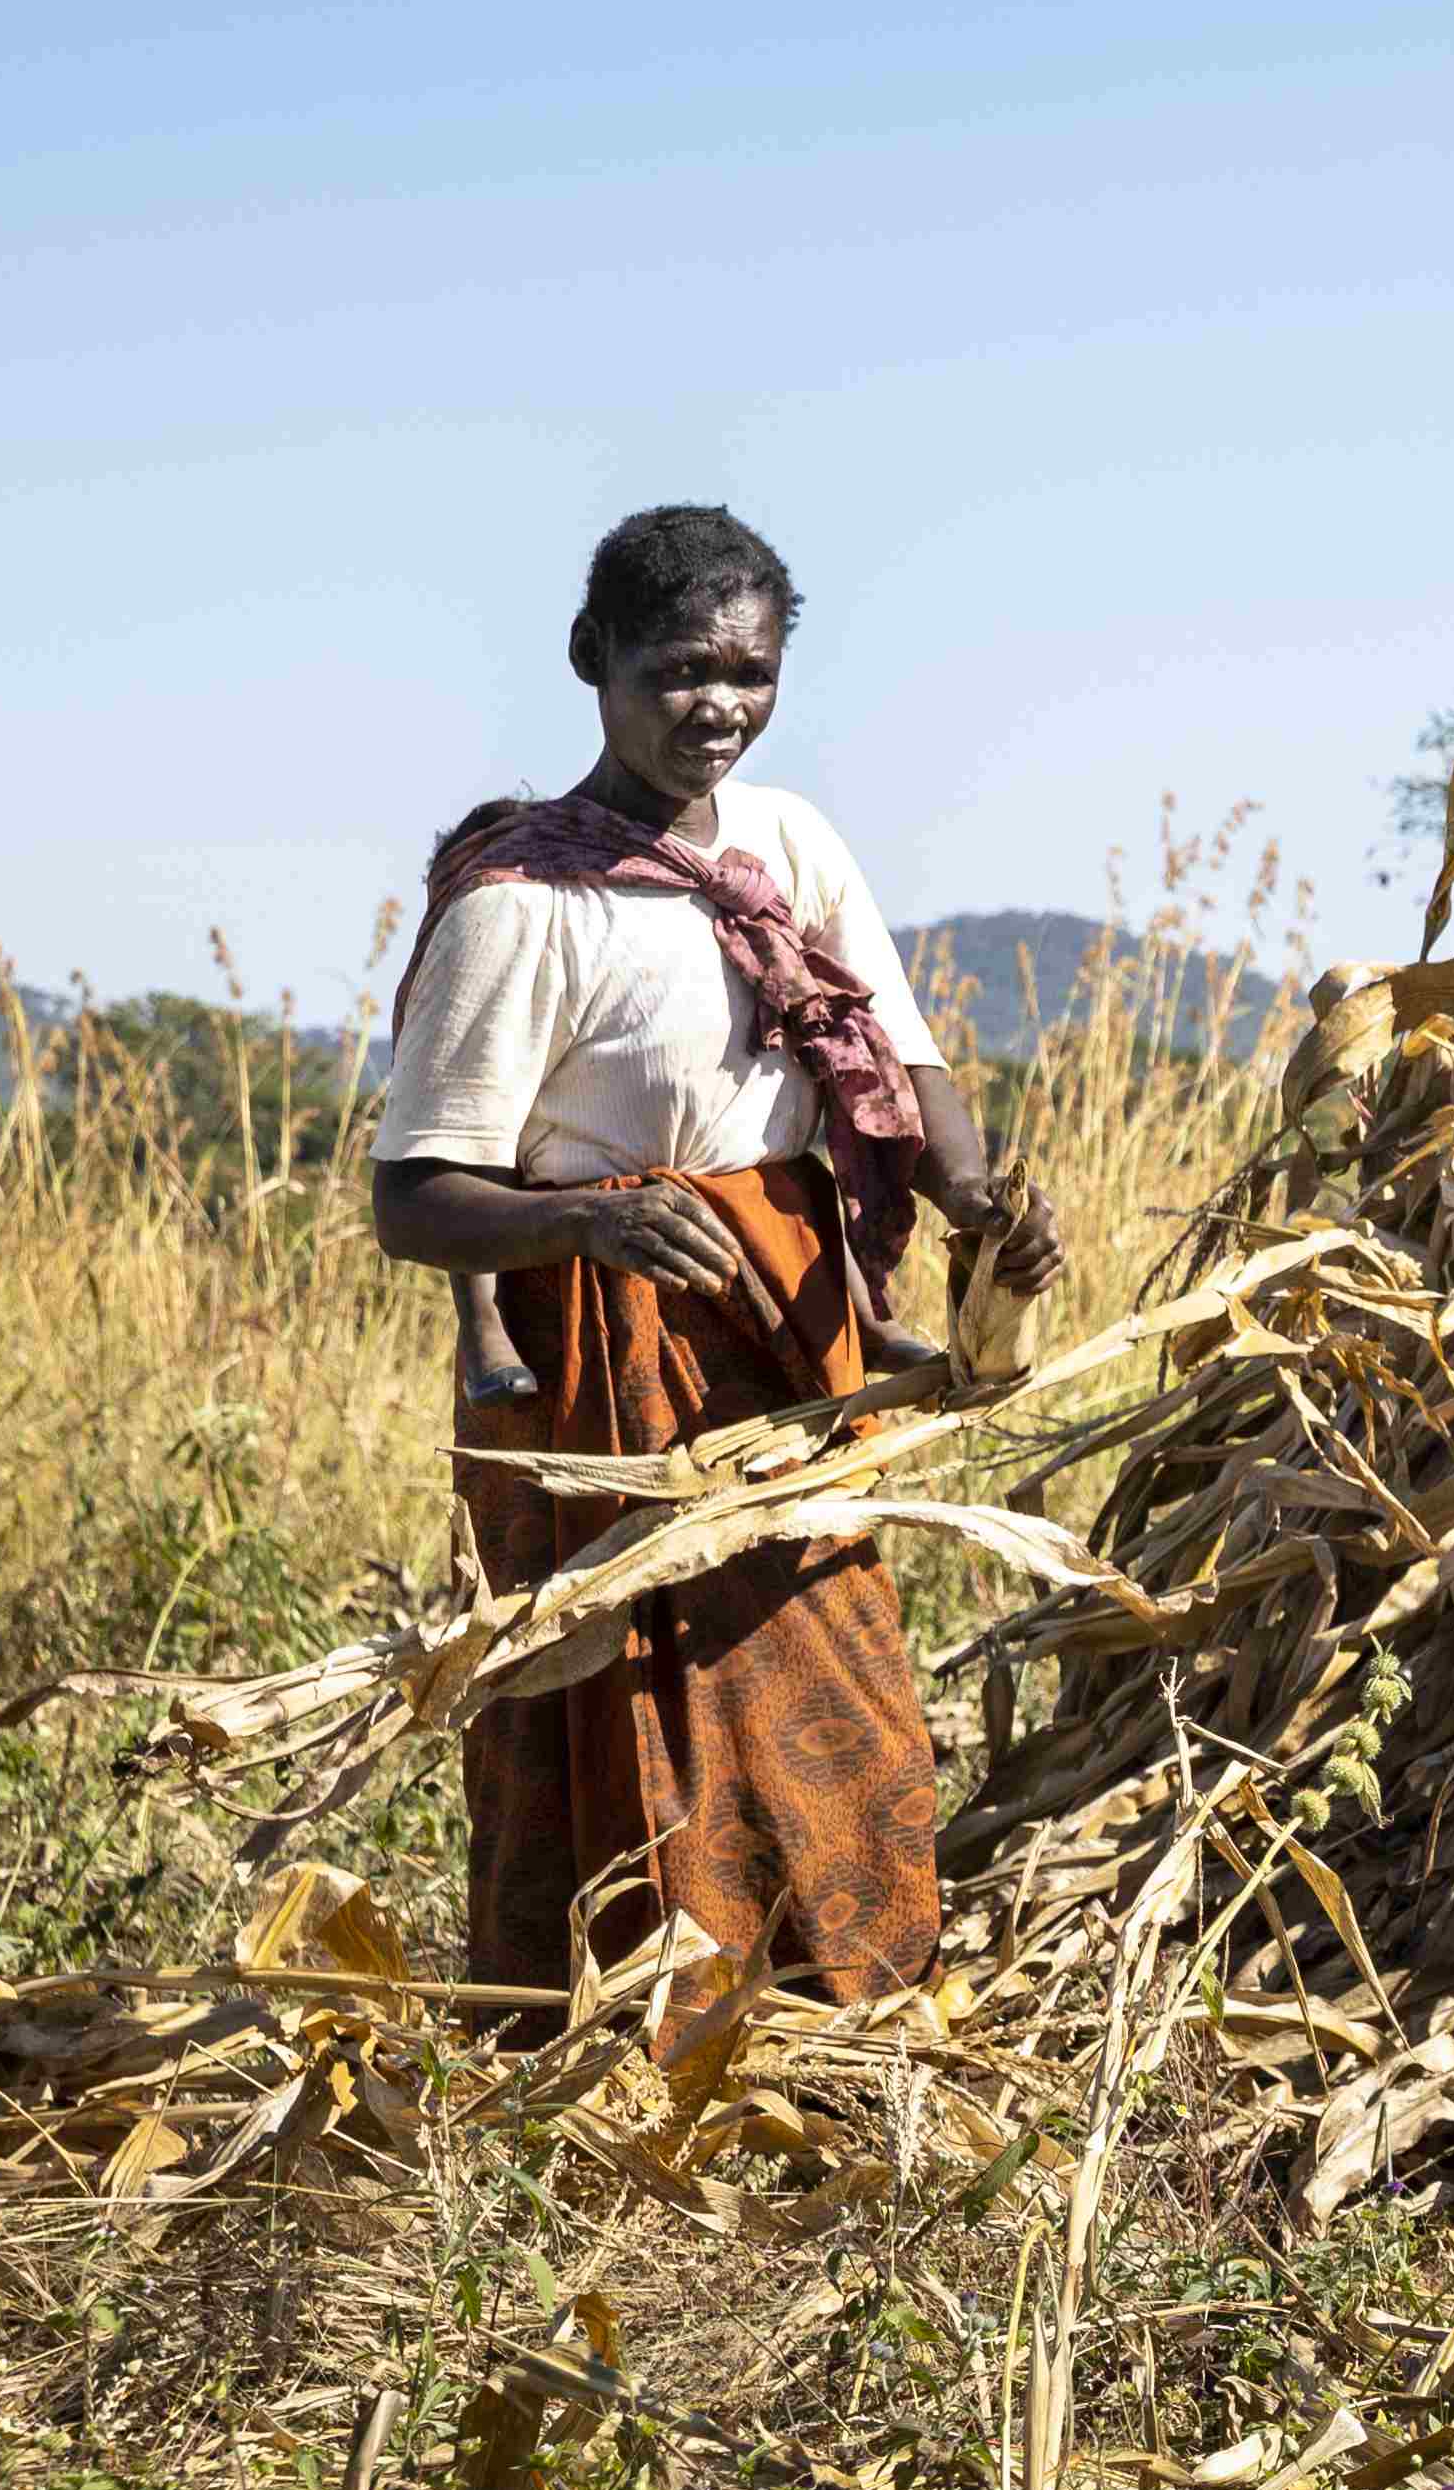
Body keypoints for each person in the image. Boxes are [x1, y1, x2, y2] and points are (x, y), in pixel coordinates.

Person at [369, 505, 1065, 2012]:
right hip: (602, 1360)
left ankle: (847, 2020)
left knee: (839, 1680)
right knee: (632, 1705)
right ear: (591, 662)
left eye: (750, 675)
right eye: (683, 671)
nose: (720, 709)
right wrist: (584, 1218)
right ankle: (627, 2054)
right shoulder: (521, 906)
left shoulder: (788, 842)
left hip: (789, 1322)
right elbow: (416, 1196)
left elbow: (899, 1053)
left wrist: (976, 1203)